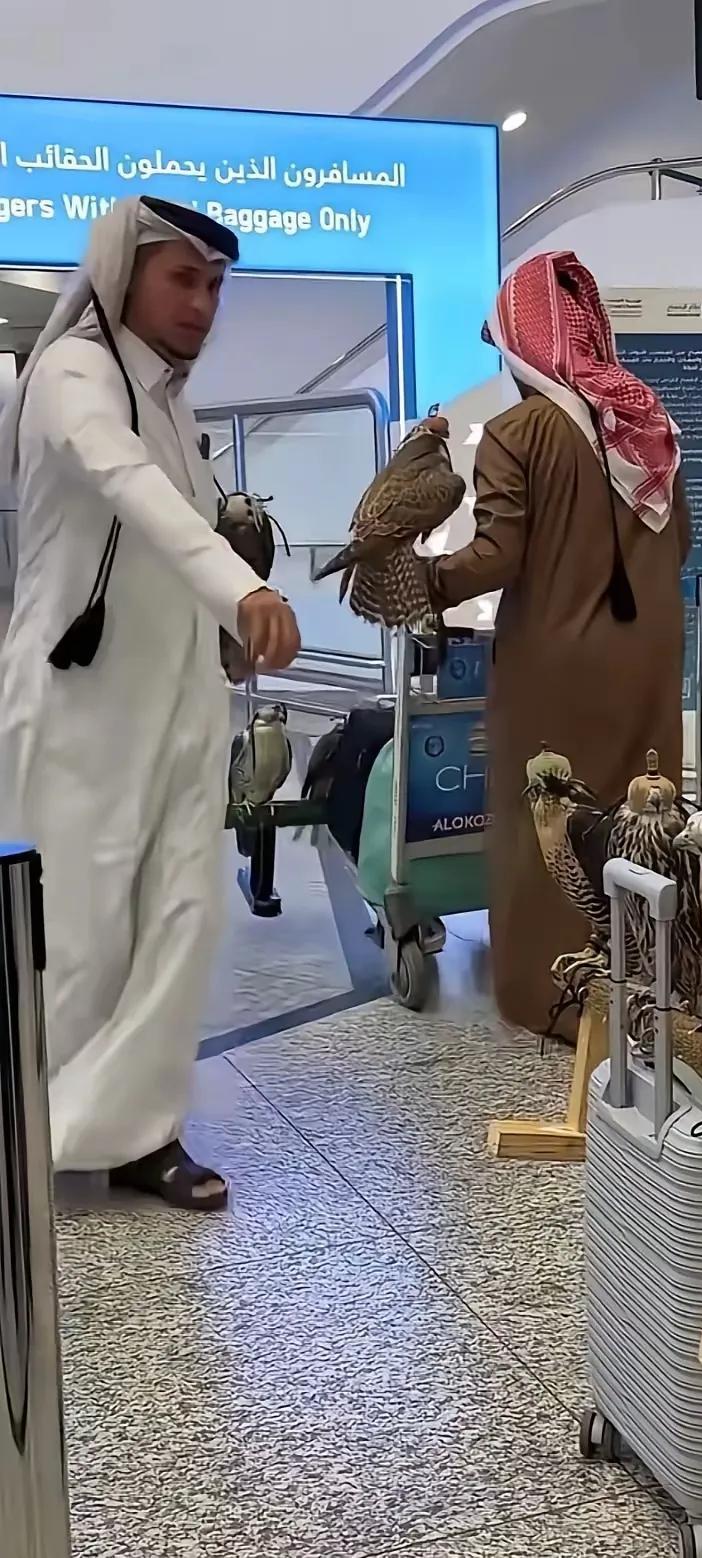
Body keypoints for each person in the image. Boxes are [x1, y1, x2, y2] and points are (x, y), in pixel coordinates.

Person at [0, 196, 300, 1209]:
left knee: (182, 917)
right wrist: (243, 591)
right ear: (123, 271)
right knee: (81, 937)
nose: (203, 304)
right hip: (80, 712)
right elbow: (130, 486)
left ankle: (140, 1130)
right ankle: (40, 1129)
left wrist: (225, 631)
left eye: (215, 285)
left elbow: (173, 537)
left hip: (178, 709)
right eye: (183, 279)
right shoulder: (73, 374)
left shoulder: (172, 400)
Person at [427, 251, 691, 1039]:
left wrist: (420, 579)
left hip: (554, 664)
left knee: (546, 822)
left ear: (521, 343)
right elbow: (679, 543)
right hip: (648, 655)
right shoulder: (644, 419)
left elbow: (495, 556)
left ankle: (556, 996)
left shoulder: (519, 431)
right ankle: (648, 991)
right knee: (643, 816)